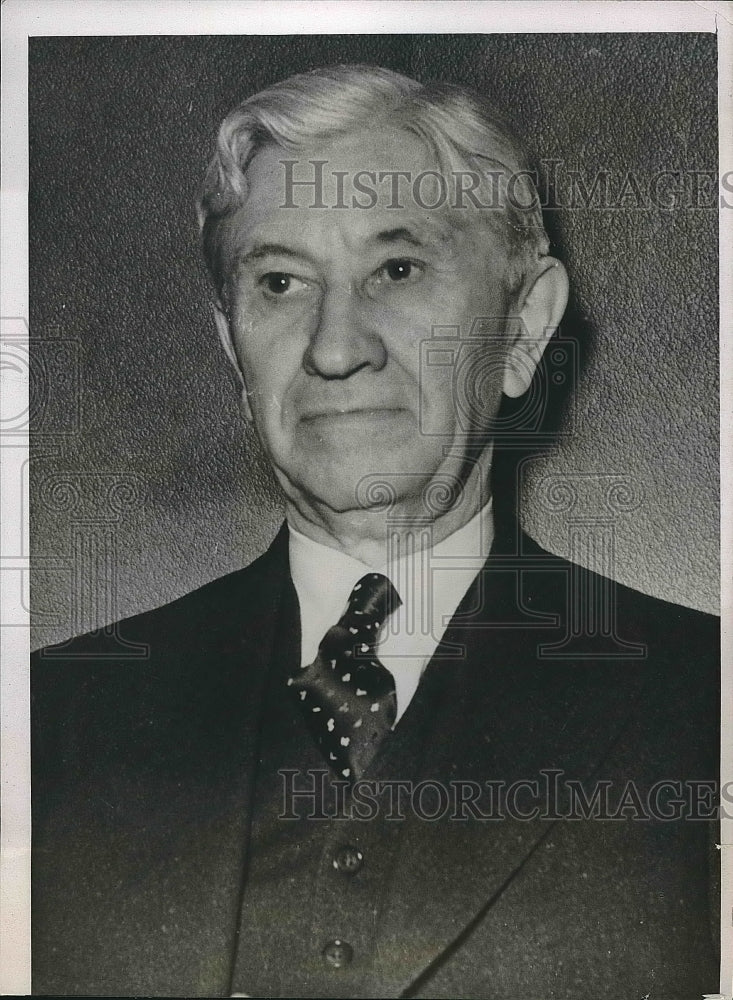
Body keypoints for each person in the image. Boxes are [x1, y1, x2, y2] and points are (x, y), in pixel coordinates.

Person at [31, 64, 719, 997]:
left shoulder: (705, 704)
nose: (334, 347)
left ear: (522, 327)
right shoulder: (48, 723)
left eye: (396, 269)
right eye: (279, 282)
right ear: (234, 346)